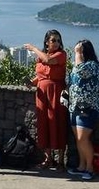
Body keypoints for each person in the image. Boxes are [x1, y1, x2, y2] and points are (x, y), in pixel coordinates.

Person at [25, 30, 68, 169]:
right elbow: (41, 75)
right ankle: (48, 158)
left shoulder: (61, 54)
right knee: (44, 124)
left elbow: (48, 61)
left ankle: (61, 160)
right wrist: (31, 82)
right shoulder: (43, 56)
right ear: (47, 42)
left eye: (58, 40)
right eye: (53, 40)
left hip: (56, 93)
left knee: (58, 123)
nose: (56, 43)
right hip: (43, 94)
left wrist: (34, 49)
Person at [65, 39, 99, 181]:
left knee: (83, 138)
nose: (76, 53)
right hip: (75, 106)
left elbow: (81, 70)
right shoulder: (77, 65)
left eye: (79, 50)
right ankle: (81, 166)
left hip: (88, 106)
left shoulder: (92, 65)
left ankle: (90, 168)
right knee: (78, 139)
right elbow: (71, 81)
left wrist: (78, 54)